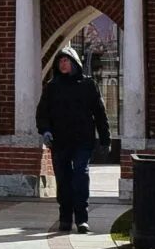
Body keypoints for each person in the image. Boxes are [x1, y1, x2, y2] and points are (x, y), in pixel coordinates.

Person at [36, 48, 109, 234]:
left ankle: (82, 219)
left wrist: (105, 139)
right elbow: (42, 113)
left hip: (82, 140)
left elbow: (100, 114)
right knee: (63, 180)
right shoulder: (52, 87)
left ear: (75, 62)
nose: (63, 64)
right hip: (60, 142)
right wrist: (45, 131)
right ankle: (65, 218)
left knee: (80, 176)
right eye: (60, 61)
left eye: (66, 60)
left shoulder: (88, 85)